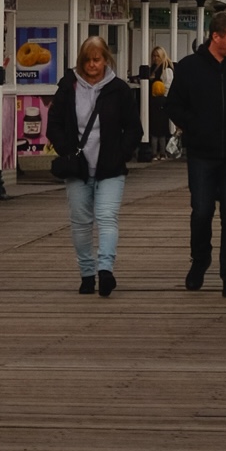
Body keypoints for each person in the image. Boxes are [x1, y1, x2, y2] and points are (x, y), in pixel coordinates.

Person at [164, 7, 226, 300]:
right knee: (202, 211)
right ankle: (200, 260)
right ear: (216, 37)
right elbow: (173, 106)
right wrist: (194, 128)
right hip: (201, 153)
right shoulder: (189, 67)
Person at [46, 35, 143, 296]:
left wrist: (121, 153)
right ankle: (87, 273)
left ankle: (105, 270)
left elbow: (134, 128)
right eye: (87, 60)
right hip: (77, 167)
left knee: (107, 218)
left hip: (110, 167)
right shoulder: (68, 87)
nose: (92, 65)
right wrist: (67, 150)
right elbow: (53, 124)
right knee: (80, 221)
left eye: (97, 59)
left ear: (106, 59)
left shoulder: (119, 90)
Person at [146, 46, 173, 159]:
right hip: (152, 101)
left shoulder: (165, 69)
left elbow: (168, 86)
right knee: (154, 128)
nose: (155, 58)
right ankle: (154, 152)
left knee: (160, 128)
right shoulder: (153, 69)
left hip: (161, 101)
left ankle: (162, 152)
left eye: (158, 56)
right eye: (154, 56)